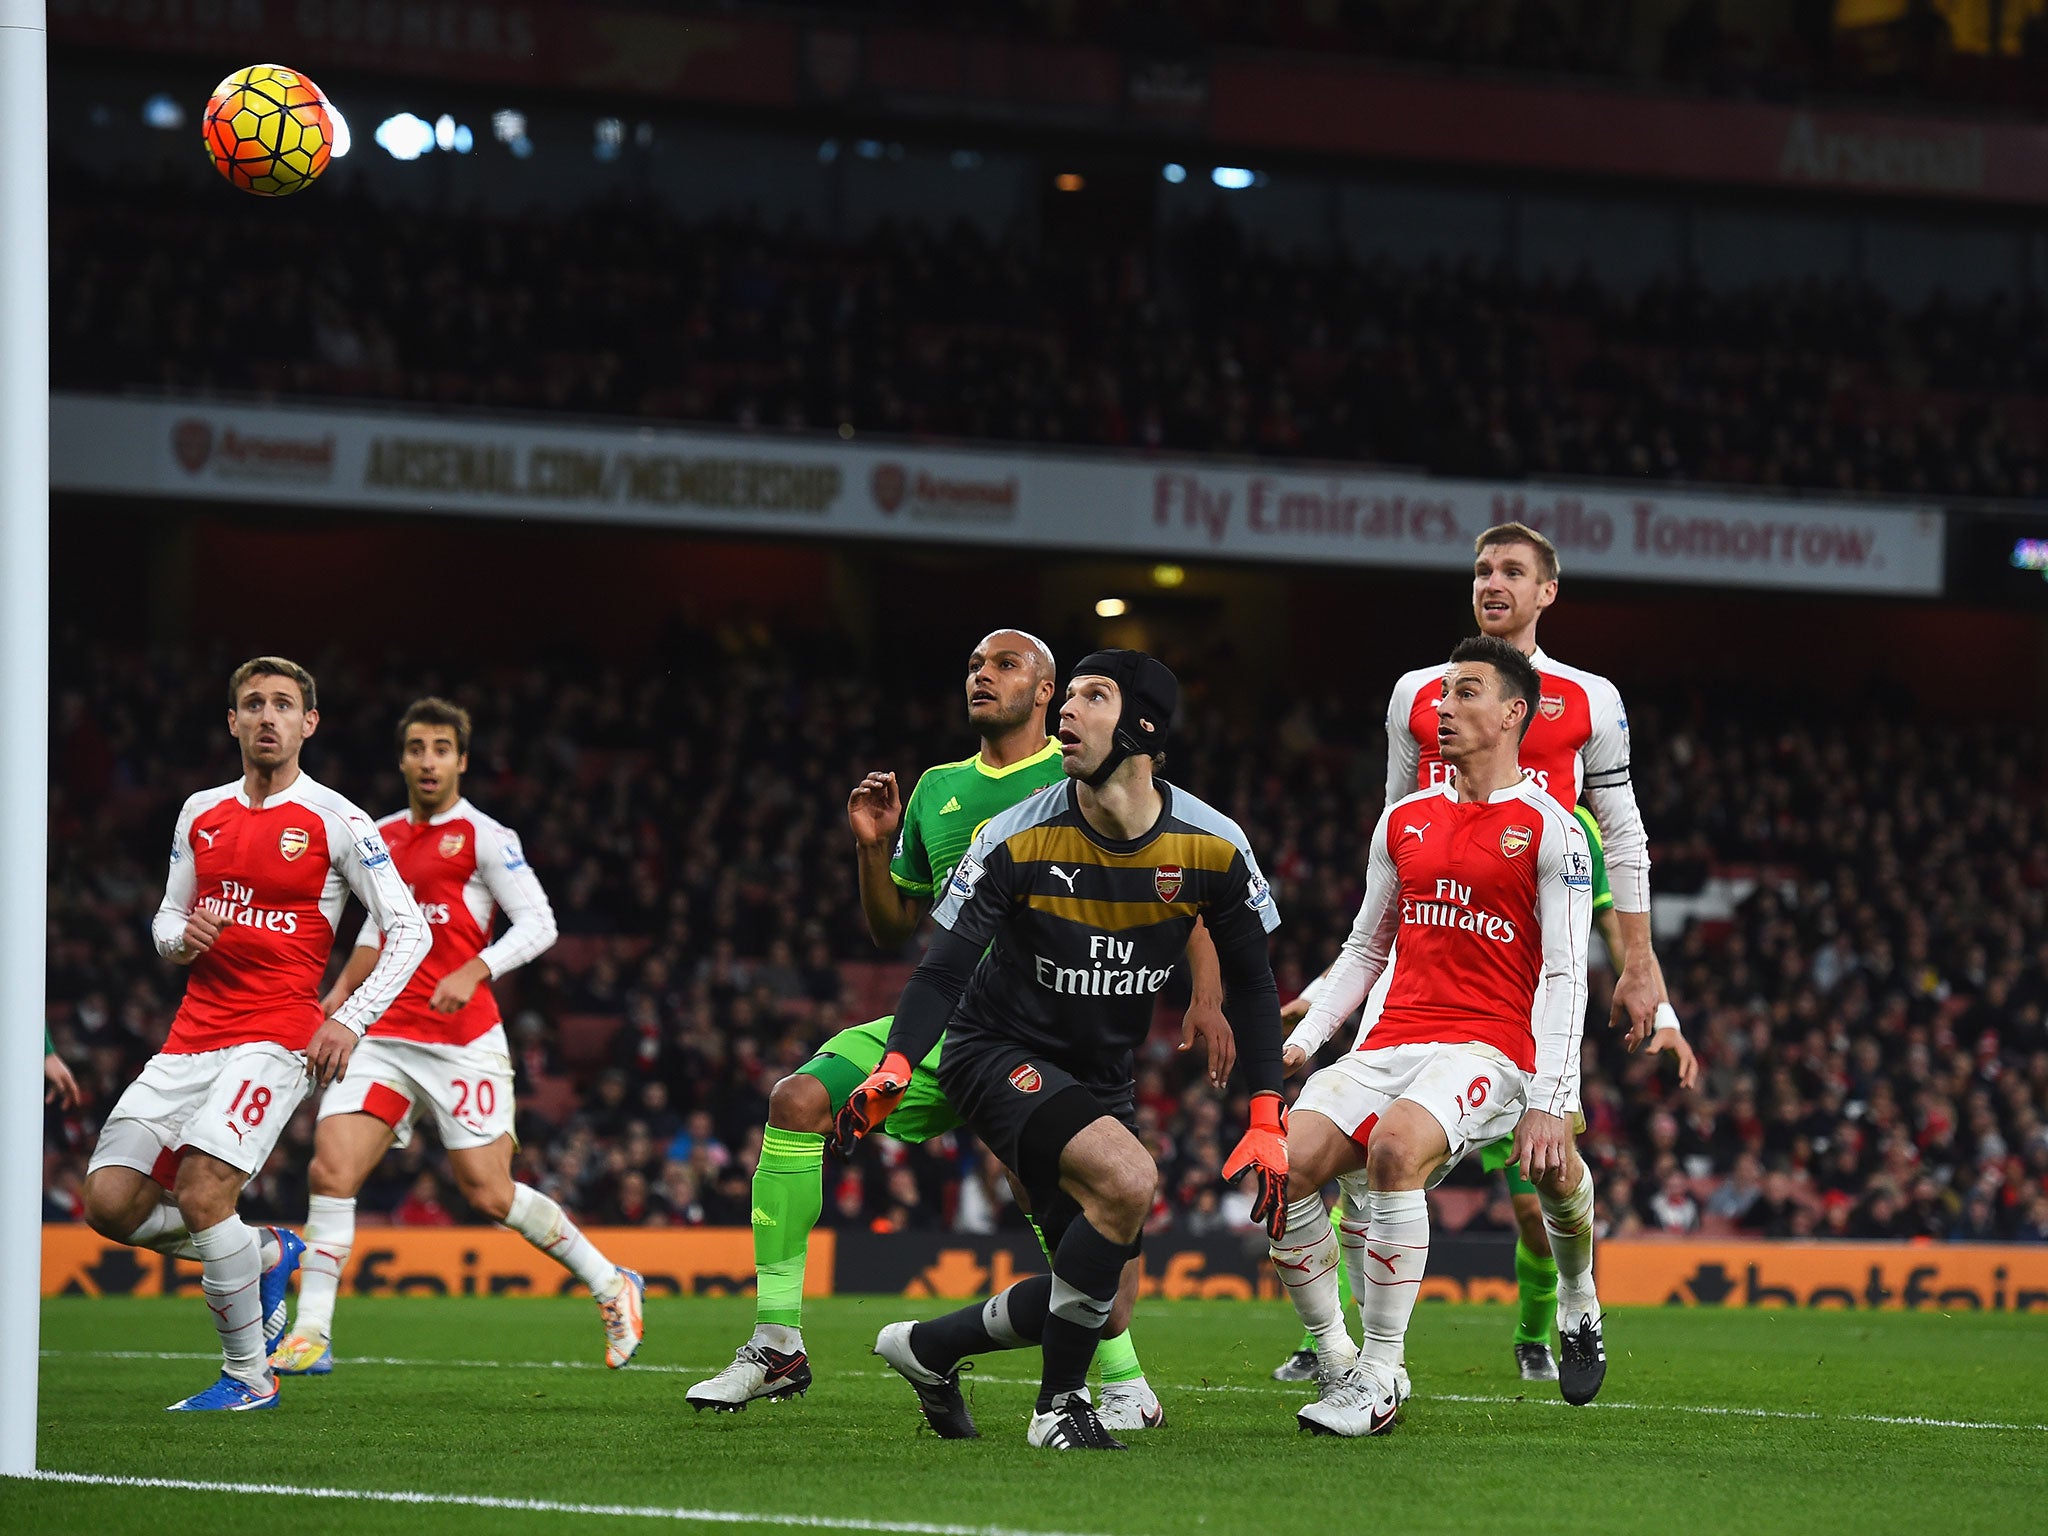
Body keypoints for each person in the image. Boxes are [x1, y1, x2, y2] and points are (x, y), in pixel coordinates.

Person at [689, 631, 1232, 1430]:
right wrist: (874, 852)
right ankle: (776, 1342)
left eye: (1005, 665)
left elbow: (1169, 876)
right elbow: (893, 929)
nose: (982, 675)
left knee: (1083, 1237)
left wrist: (1208, 994)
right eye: (976, 664)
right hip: (943, 1027)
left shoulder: (1086, 767)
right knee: (798, 1098)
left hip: (1042, 1037)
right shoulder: (940, 788)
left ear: (1050, 691)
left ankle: (1115, 1375)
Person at [1274, 520, 1692, 1386]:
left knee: (1549, 1170)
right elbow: (1395, 837)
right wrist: (1328, 994)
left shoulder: (1589, 700)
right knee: (1366, 1154)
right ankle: (1343, 1343)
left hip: (1534, 977)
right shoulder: (1418, 696)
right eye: (1480, 569)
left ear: (1546, 592)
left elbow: (1622, 832)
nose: (1492, 581)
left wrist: (1642, 963)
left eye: (1512, 570)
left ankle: (1576, 1299)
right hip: (1427, 966)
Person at [843, 650, 1290, 1451]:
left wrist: (1266, 1116)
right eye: (1069, 695)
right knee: (1128, 1178)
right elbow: (941, 967)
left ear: (1143, 727)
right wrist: (897, 1063)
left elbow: (1255, 987)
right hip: (994, 1049)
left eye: (1094, 696)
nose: (1066, 712)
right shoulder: (1017, 835)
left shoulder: (1212, 844)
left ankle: (929, 1348)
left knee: (1102, 1300)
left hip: (1099, 1072)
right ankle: (1059, 1407)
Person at [80, 657, 428, 1411]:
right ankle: (267, 1251)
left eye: (283, 705)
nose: (267, 716)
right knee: (108, 1203)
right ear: (232, 721)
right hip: (191, 1035)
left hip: (277, 1035)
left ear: (309, 723)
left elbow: (409, 929)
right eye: (252, 704)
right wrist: (180, 939)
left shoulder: (338, 819)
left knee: (205, 1189)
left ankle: (248, 1376)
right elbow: (167, 917)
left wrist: (347, 1017)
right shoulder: (200, 811)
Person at [1273, 636, 1601, 1437]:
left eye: (1465, 694)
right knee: (1284, 1171)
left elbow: (1566, 975)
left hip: (1489, 1049)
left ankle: (1563, 1301)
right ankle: (1342, 1357)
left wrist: (1552, 1100)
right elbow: (1364, 947)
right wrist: (1306, 1039)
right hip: (1390, 1041)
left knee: (1409, 1153)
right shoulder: (1403, 820)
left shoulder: (1553, 831)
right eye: (1442, 694)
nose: (1443, 708)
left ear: (1513, 713)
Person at [270, 697, 643, 1378]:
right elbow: (375, 931)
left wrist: (477, 968)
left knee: (489, 1193)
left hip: (461, 1040)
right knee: (331, 1169)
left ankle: (611, 1282)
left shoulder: (486, 837)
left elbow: (539, 924)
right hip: (381, 1033)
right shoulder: (375, 833)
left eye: (441, 748)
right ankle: (313, 1330)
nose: (428, 760)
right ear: (403, 758)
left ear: (462, 760)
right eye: (416, 747)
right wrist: (337, 999)